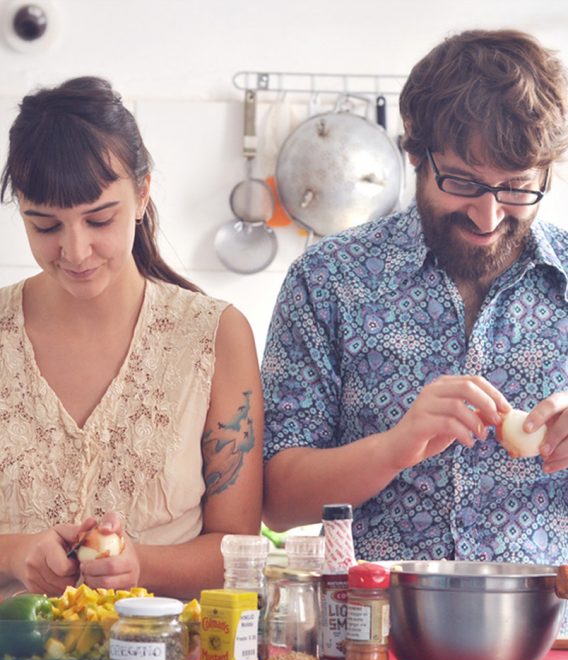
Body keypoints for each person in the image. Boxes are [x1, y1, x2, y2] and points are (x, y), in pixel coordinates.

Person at [262, 30, 568, 571]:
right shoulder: (328, 280)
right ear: (416, 154)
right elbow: (277, 501)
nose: (489, 216)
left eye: (517, 187)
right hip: (374, 636)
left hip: (552, 640)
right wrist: (395, 447)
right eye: (463, 181)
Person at [0, 76, 263, 599]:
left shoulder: (214, 336)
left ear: (142, 194)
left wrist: (142, 565)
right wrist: (14, 553)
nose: (75, 252)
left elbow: (239, 550)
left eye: (99, 219)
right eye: (45, 227)